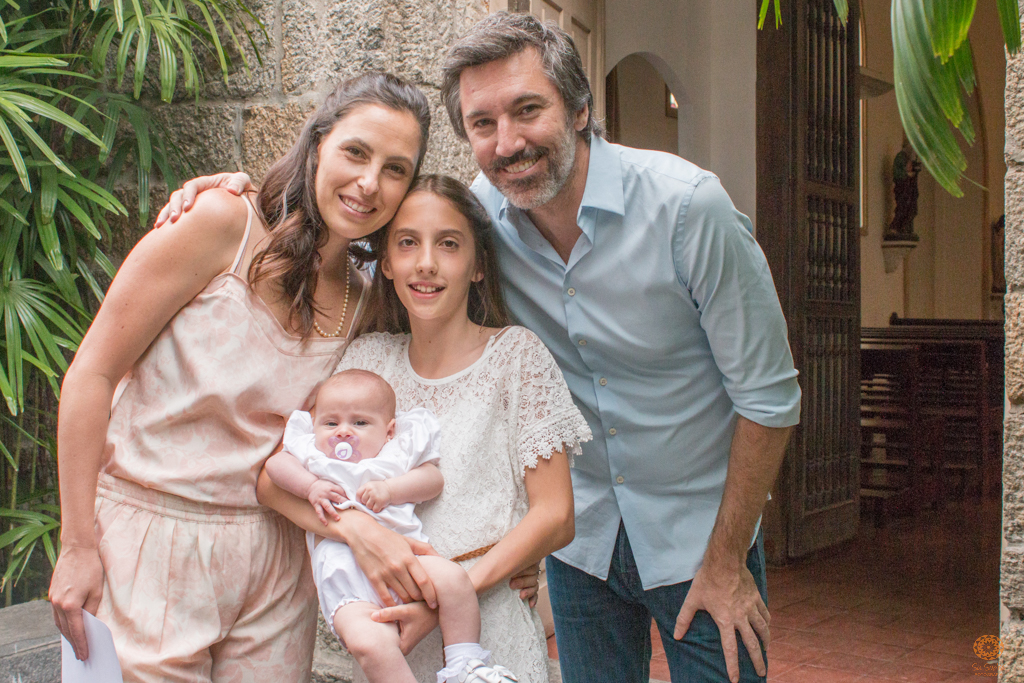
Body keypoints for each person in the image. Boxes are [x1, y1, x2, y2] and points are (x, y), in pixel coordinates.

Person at [160, 13, 801, 683]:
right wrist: (237, 195)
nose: (508, 142)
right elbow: (378, 225)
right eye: (482, 123)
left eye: (528, 110)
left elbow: (769, 396)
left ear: (581, 108)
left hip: (699, 539)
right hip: (584, 552)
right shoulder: (480, 216)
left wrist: (727, 558)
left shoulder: (688, 210)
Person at [47, 72, 432, 682]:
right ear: (318, 143)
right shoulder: (221, 224)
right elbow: (92, 373)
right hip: (149, 536)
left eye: (395, 169)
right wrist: (76, 544)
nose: (368, 183)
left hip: (277, 559)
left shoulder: (369, 299)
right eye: (356, 152)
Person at [255, 174, 589, 683]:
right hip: (386, 632)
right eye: (407, 242)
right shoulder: (366, 361)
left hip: (484, 630)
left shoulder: (516, 357)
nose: (426, 262)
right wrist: (357, 529)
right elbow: (272, 483)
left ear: (478, 265)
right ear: (386, 262)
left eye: (448, 244)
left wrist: (447, 597)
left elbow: (556, 515)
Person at [266, 369, 519, 683]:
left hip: (409, 564)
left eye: (360, 423)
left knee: (454, 579)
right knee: (369, 644)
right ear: (315, 424)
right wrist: (309, 487)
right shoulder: (312, 454)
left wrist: (391, 490)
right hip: (347, 585)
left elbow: (432, 480)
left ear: (388, 431)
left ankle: (464, 665)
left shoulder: (395, 454)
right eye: (331, 423)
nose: (343, 432)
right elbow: (274, 466)